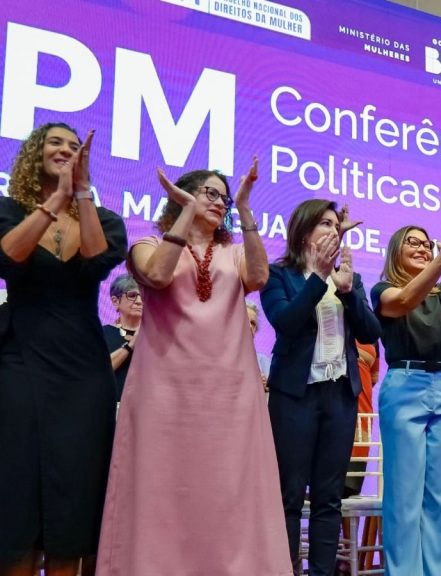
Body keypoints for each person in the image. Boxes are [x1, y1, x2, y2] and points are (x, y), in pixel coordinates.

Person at [95, 159, 293, 575]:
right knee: (162, 490)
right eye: (210, 193)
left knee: (226, 493)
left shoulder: (234, 252)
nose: (220, 202)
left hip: (230, 392)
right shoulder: (148, 243)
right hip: (164, 389)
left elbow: (258, 278)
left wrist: (245, 208)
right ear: (181, 196)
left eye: (225, 197)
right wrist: (185, 213)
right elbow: (158, 275)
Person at [0, 123, 126, 576]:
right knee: (16, 485)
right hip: (19, 357)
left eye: (74, 147)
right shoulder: (8, 210)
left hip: (82, 370)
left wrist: (81, 192)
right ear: (35, 152)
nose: (66, 150)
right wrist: (54, 201)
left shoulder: (105, 219)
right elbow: (9, 255)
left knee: (75, 487)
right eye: (56, 143)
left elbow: (96, 259)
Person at [260, 199, 381, 576]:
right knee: (290, 495)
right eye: (324, 224)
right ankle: (286, 570)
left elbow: (371, 331)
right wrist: (318, 277)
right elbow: (286, 322)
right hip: (294, 396)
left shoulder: (349, 278)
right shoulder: (279, 274)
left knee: (329, 499)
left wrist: (347, 291)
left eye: (335, 224)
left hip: (340, 396)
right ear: (303, 231)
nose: (333, 230)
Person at [370, 224, 441, 576]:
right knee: (404, 492)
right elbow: (404, 302)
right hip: (405, 384)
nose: (422, 248)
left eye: (427, 244)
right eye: (413, 242)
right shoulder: (383, 288)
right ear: (395, 249)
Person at [344, 340, 380, 499]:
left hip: (363, 408)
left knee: (350, 488)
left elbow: (374, 377)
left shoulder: (372, 334)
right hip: (333, 404)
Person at [103, 274, 142, 403]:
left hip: (148, 407)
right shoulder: (102, 334)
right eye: (132, 295)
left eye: (143, 295)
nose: (139, 301)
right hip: (113, 406)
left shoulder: (154, 334)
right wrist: (130, 346)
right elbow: (98, 371)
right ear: (115, 301)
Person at [246, 301, 272, 392]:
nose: (250, 326)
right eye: (245, 320)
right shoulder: (219, 358)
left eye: (253, 323)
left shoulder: (263, 361)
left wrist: (266, 386)